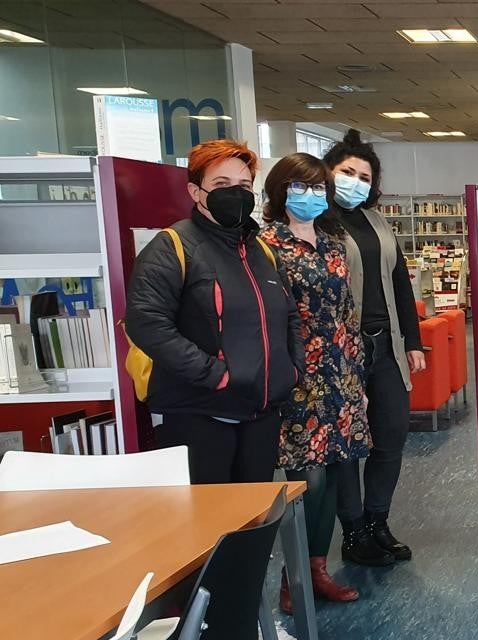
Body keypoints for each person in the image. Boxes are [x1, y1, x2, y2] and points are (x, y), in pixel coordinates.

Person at [127, 139, 302, 484]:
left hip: (260, 413)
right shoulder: (173, 246)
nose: (234, 194)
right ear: (195, 191)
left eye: (243, 186)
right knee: (209, 525)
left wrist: (291, 371)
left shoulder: (261, 251)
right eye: (221, 185)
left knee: (255, 520)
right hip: (199, 414)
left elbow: (288, 315)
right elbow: (145, 322)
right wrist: (215, 374)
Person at [259, 153, 371, 612]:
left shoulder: (333, 244)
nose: (312, 196)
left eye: (319, 188)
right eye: (301, 187)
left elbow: (348, 312)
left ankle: (318, 568)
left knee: (343, 471)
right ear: (280, 190)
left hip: (341, 374)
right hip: (299, 379)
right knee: (311, 480)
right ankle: (293, 577)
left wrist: (357, 374)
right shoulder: (267, 245)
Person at [324, 130, 425, 569]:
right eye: (347, 172)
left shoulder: (378, 221)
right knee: (346, 442)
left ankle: (378, 519)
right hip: (340, 351)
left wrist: (414, 341)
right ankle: (354, 532)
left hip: (386, 344)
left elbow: (401, 284)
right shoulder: (320, 223)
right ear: (328, 174)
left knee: (392, 433)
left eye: (364, 176)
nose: (356, 181)